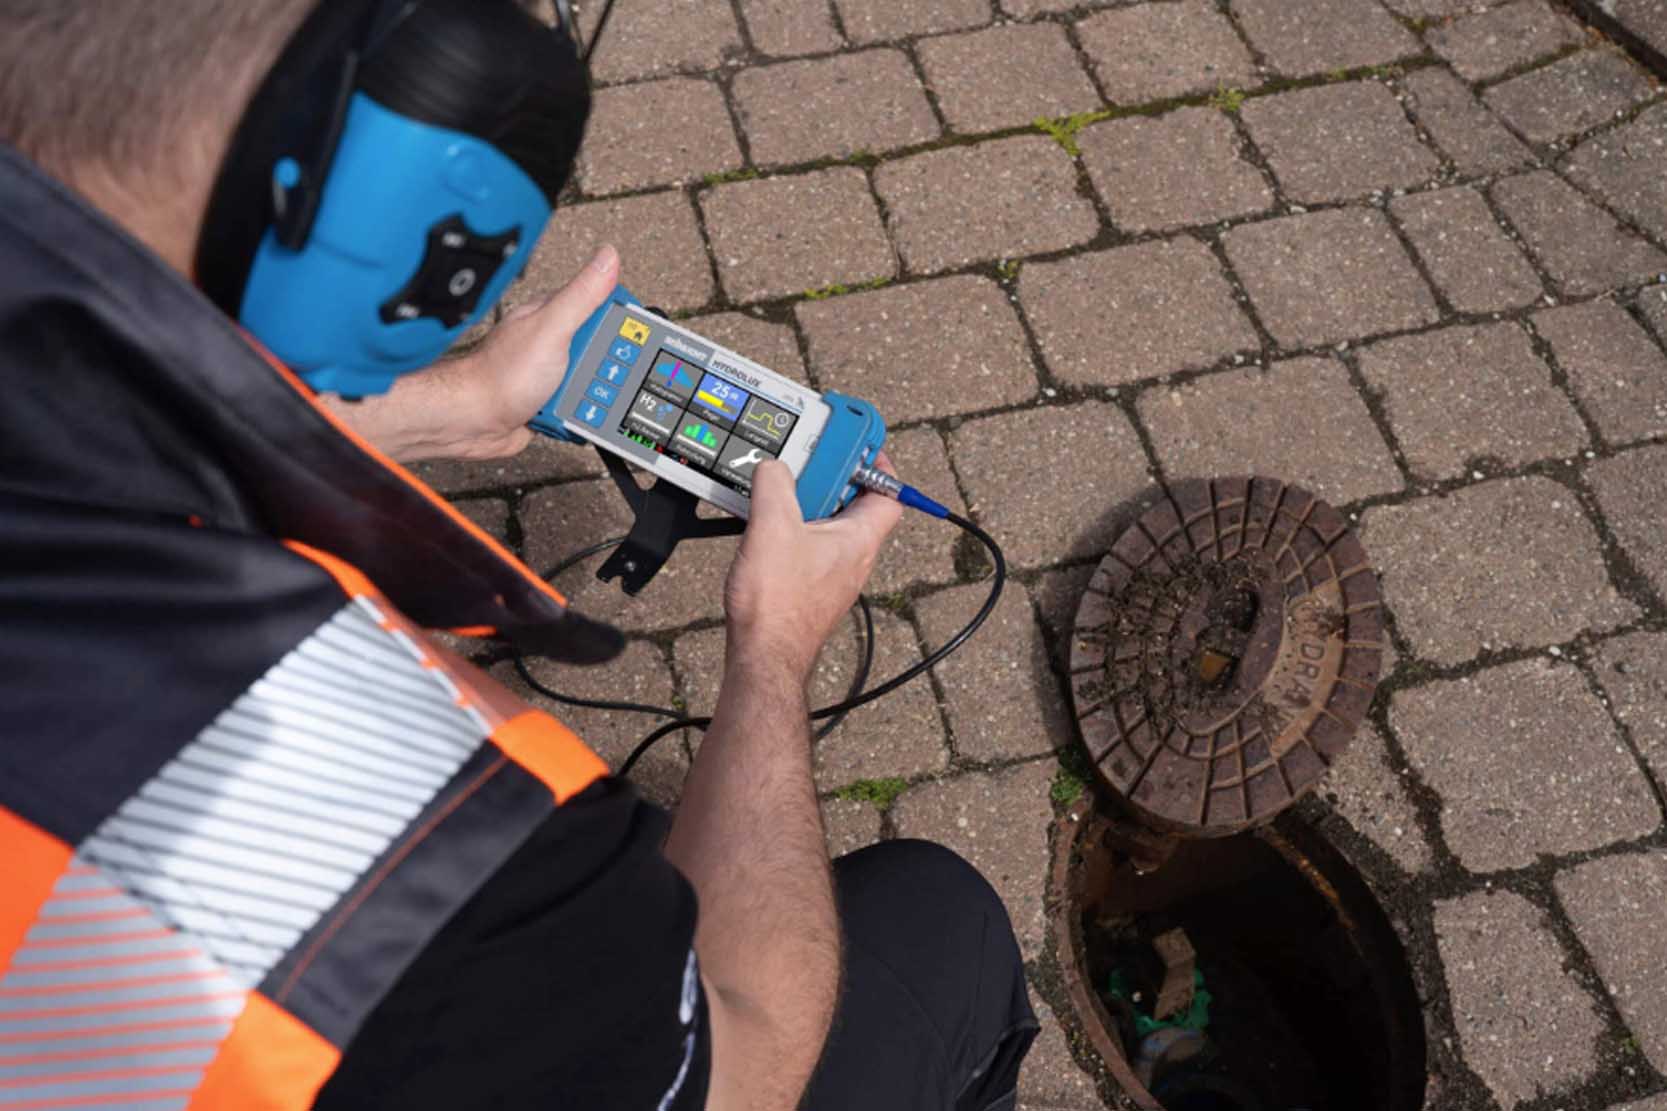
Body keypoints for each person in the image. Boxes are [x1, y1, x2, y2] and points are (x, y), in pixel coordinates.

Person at [0, 2, 1037, 1109]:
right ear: (390, 238)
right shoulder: (441, 847)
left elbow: (107, 422)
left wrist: (450, 404)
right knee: (946, 920)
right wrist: (772, 647)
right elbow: (746, 1066)